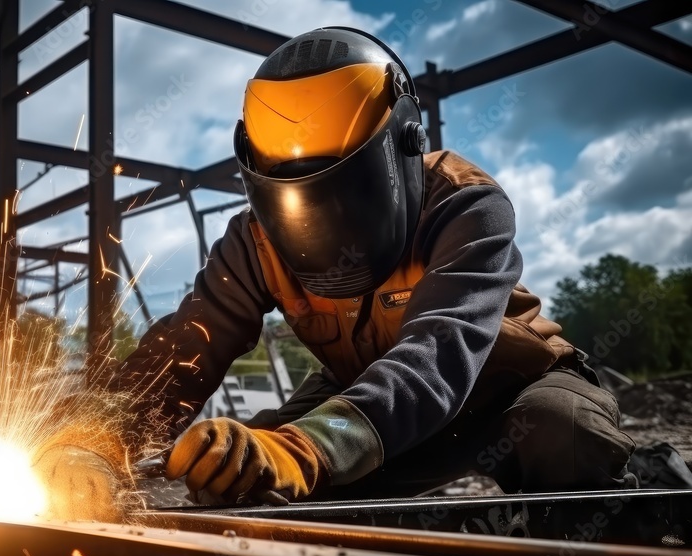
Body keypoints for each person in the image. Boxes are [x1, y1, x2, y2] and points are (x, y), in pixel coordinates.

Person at [34, 27, 652, 518]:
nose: (321, 229)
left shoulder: (465, 205)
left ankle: (651, 492)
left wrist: (308, 449)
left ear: (404, 146)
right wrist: (92, 436)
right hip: (368, 403)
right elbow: (184, 347)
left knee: (563, 433)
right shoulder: (255, 242)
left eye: (344, 193)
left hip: (504, 393)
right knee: (240, 474)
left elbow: (438, 355)